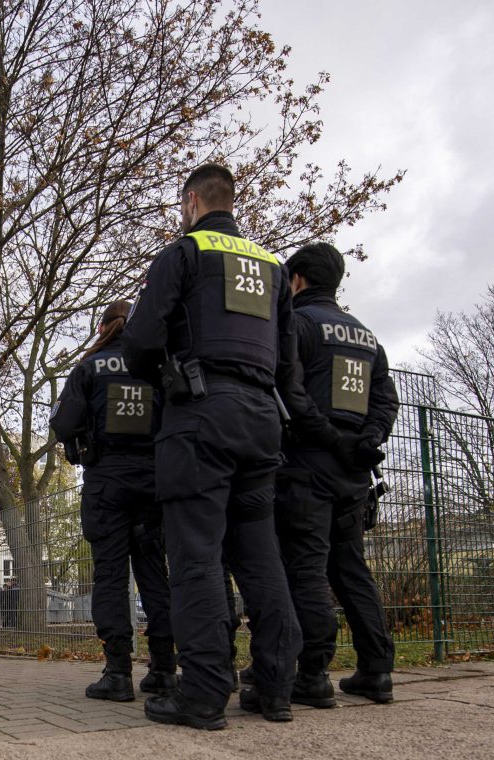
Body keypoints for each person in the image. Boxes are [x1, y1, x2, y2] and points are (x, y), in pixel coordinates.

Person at [123, 163, 348, 729]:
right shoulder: (273, 267)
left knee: (195, 556)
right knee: (260, 555)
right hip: (260, 421)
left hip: (200, 415)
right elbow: (288, 366)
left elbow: (142, 340)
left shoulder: (185, 253)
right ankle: (274, 687)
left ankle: (202, 692)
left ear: (192, 200)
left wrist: (167, 380)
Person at [273, 242, 399, 705]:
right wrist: (369, 439)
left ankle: (313, 673)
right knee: (349, 568)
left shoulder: (299, 325)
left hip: (308, 463)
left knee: (304, 566)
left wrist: (330, 438)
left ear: (298, 280)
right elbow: (386, 397)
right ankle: (377, 670)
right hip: (354, 472)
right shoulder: (367, 336)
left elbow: (290, 390)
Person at [50, 300, 176, 702]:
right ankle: (164, 670)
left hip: (107, 482)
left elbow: (64, 423)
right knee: (156, 575)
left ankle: (118, 673)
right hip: (154, 482)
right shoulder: (157, 367)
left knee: (109, 576)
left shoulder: (90, 368)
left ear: (104, 327)